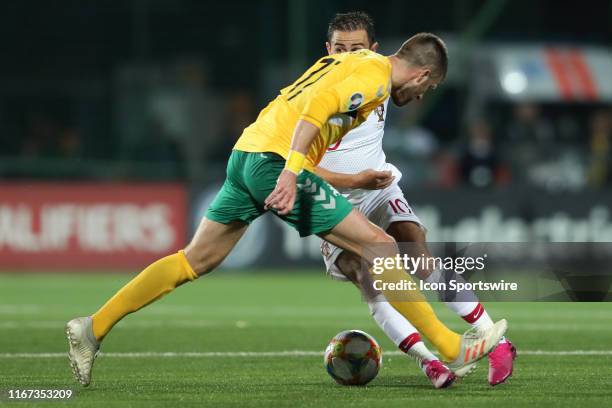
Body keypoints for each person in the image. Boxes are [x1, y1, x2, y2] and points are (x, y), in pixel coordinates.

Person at [66, 30, 507, 387]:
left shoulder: (351, 64)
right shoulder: (373, 74)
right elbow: (314, 109)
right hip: (272, 162)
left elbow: (307, 102)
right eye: (429, 86)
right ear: (422, 73)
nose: (424, 94)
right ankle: (449, 346)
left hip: (246, 154)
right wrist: (292, 173)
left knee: (193, 261)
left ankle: (93, 327)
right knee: (380, 246)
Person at [315, 12, 516, 387]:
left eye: (355, 49)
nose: (346, 57)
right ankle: (430, 362)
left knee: (417, 254)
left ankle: (498, 343)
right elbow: (300, 168)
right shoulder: (313, 94)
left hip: (378, 186)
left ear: (374, 51)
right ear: (327, 51)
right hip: (331, 200)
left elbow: (413, 75)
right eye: (338, 50)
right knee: (367, 278)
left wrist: (422, 83)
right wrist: (353, 179)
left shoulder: (379, 75)